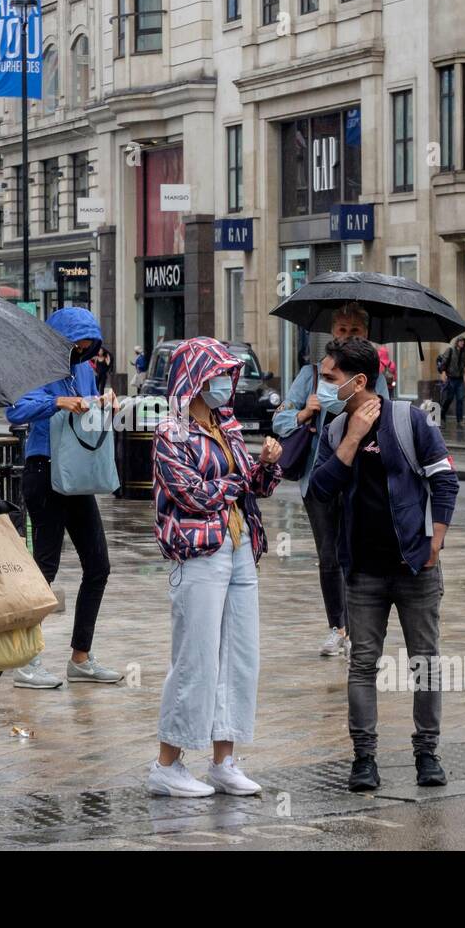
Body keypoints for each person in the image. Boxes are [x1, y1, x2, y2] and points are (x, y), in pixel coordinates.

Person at [309, 337, 459, 792]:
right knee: (362, 664)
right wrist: (352, 439)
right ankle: (364, 759)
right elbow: (319, 488)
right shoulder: (336, 428)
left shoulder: (408, 420)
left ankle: (427, 753)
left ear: (359, 380)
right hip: (363, 571)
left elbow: (445, 480)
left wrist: (436, 539)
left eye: (331, 378)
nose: (323, 386)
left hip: (415, 567)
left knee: (425, 662)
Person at [148, 337, 282, 797]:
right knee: (196, 657)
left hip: (241, 546)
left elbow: (252, 489)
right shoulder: (171, 431)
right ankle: (168, 764)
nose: (226, 380)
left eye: (229, 372)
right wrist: (238, 479)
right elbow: (192, 494)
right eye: (218, 372)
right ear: (195, 378)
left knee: (240, 657)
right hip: (200, 551)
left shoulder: (228, 425)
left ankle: (224, 760)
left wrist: (264, 465)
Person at [6, 306, 121, 688]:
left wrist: (104, 404)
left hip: (77, 475)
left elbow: (86, 418)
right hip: (44, 471)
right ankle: (26, 659)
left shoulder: (86, 372)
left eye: (88, 347)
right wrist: (57, 402)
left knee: (99, 565)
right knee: (45, 567)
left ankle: (81, 657)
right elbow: (16, 410)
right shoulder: (35, 367)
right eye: (77, 345)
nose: (82, 352)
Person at [271, 302, 388, 659]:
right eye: (342, 330)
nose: (349, 336)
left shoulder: (375, 376)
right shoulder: (311, 374)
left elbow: (385, 418)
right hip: (318, 481)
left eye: (355, 331)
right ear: (332, 333)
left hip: (360, 478)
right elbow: (280, 422)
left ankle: (359, 627)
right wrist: (307, 410)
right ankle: (337, 627)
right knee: (328, 556)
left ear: (365, 335)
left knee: (356, 552)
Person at [438, 336, 465, 428]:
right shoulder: (450, 350)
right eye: (460, 341)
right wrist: (443, 373)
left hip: (459, 380)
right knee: (449, 399)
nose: (462, 343)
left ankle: (460, 421)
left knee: (460, 400)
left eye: (463, 342)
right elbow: (443, 362)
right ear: (457, 342)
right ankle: (442, 417)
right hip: (451, 379)